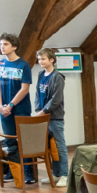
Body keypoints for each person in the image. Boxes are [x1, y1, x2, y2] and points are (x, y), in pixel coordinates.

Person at [0, 32, 34, 184]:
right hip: (4, 111)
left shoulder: (23, 65)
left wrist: (10, 105)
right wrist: (0, 106)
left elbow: (24, 89)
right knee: (10, 141)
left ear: (14, 47)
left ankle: (29, 173)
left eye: (5, 44)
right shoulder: (0, 64)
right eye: (1, 44)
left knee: (24, 140)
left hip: (20, 109)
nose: (2, 47)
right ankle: (13, 171)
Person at [33, 48, 68, 184]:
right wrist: (38, 109)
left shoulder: (57, 76)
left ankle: (64, 175)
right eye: (39, 59)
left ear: (51, 60)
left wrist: (44, 111)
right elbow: (37, 93)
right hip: (43, 115)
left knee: (59, 146)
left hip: (54, 117)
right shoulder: (41, 74)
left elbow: (56, 99)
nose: (40, 61)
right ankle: (56, 174)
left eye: (43, 59)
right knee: (51, 147)